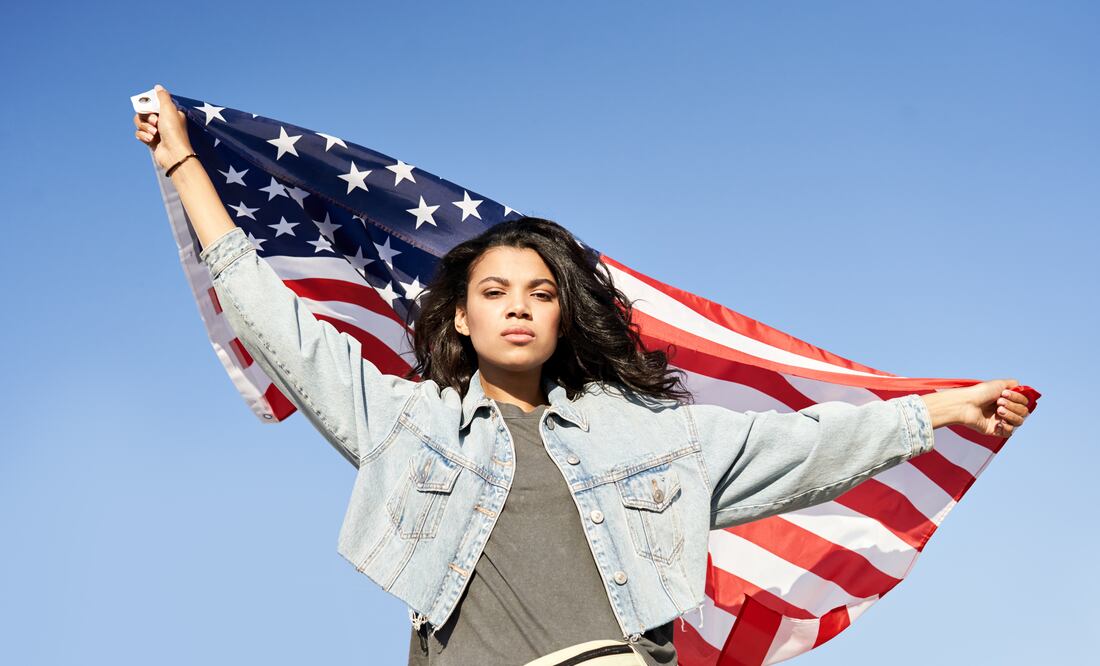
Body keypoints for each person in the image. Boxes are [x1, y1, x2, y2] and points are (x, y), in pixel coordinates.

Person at [133, 85, 1032, 666]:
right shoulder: (403, 422)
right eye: (495, 291)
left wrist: (938, 410)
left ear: (563, 318)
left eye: (538, 293)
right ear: (460, 315)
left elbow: (805, 445)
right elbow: (277, 321)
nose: (518, 306)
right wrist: (180, 162)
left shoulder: (650, 434)